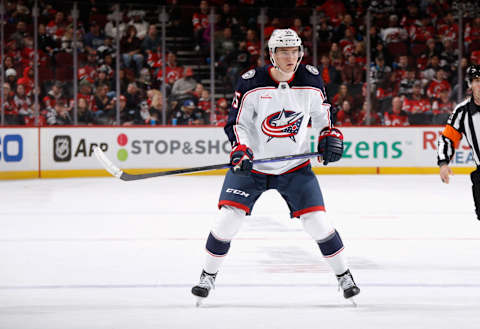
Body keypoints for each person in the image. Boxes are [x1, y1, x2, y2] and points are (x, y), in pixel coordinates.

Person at [191, 29, 360, 305]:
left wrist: (329, 135)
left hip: (295, 167)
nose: (290, 56)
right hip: (252, 167)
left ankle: (344, 276)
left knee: (318, 223)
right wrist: (240, 148)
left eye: (294, 50)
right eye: (284, 51)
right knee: (227, 220)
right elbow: (237, 123)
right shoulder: (252, 82)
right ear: (272, 54)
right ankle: (207, 276)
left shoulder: (311, 79)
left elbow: (323, 114)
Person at [438, 64, 480, 220]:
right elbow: (448, 138)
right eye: (476, 81)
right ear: (470, 84)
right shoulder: (462, 111)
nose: (479, 84)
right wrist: (443, 163)